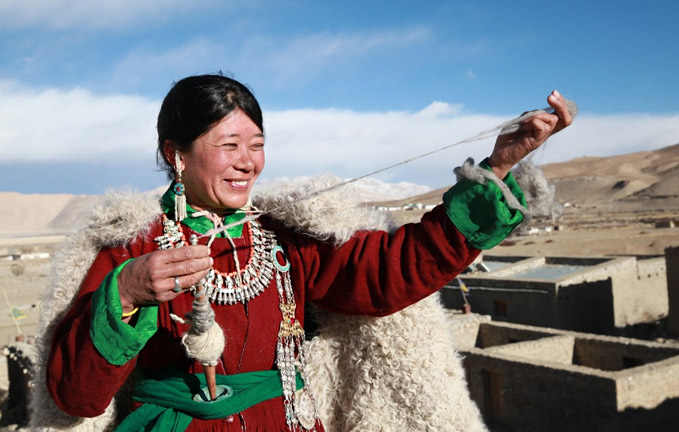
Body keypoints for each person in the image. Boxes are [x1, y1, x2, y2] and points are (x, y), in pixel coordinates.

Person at [33, 74, 572, 431]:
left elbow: (389, 272)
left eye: (257, 145)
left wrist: (498, 167)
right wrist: (126, 291)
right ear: (176, 155)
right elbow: (76, 397)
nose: (248, 162)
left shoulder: (284, 238)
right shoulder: (130, 249)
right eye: (229, 146)